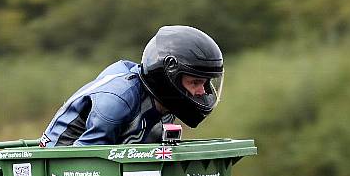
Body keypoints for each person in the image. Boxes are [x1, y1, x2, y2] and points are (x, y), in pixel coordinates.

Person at [39, 25, 224, 147]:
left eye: (205, 83)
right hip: (54, 169)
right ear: (168, 78)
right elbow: (85, 163)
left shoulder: (166, 104)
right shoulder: (118, 100)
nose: (201, 92)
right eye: (194, 82)